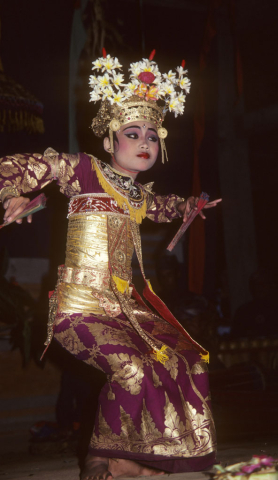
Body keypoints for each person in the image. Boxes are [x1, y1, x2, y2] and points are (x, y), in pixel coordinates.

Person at [0, 50, 221, 480]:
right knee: (133, 368)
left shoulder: (138, 196)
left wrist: (189, 205)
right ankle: (98, 458)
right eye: (133, 133)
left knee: (187, 360)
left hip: (125, 309)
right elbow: (26, 167)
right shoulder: (84, 171)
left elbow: (161, 206)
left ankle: (148, 459)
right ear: (109, 141)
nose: (144, 143)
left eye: (153, 136)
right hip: (80, 306)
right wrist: (12, 194)